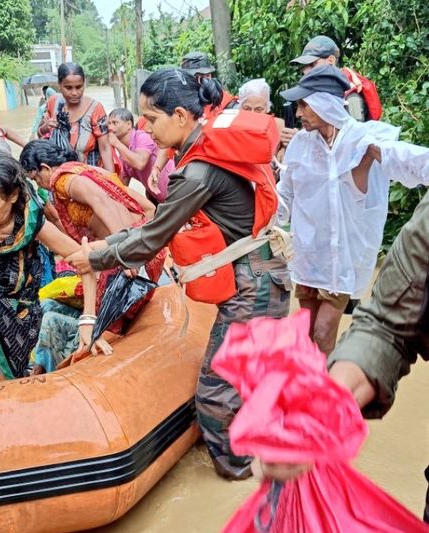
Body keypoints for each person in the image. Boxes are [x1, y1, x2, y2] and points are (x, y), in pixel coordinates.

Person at [64, 68, 291, 480]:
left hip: (252, 285)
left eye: (151, 119)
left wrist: (94, 260)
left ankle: (239, 476)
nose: (146, 130)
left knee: (215, 393)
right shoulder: (206, 149)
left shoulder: (199, 173)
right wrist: (107, 246)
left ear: (182, 116)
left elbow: (151, 239)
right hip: (264, 274)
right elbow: (152, 228)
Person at [257, 185, 429, 521]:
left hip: (339, 270)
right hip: (307, 265)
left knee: (323, 332)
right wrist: (324, 409)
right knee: (314, 331)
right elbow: (388, 326)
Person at [277, 65, 429, 356]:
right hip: (307, 257)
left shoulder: (361, 141)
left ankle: (321, 397)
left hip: (341, 261)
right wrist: (266, 220)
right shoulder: (300, 144)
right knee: (303, 334)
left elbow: (405, 157)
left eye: (303, 105)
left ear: (325, 103)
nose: (297, 114)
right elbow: (285, 194)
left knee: (323, 333)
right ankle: (305, 390)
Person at [0, 146, 100, 379]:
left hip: (21, 310)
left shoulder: (30, 221)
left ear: (12, 196)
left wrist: (88, 318)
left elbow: (85, 262)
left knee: (19, 369)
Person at [19, 140, 158, 371]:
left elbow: (102, 203)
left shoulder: (62, 180)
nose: (40, 185)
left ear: (45, 168)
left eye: (36, 179)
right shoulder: (90, 170)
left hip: (122, 259)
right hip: (140, 252)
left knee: (60, 317)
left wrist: (124, 254)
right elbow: (147, 207)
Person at [37, 62, 115, 172]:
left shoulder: (95, 109)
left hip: (88, 175)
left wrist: (111, 183)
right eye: (68, 88)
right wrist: (45, 127)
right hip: (57, 173)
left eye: (79, 87)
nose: (74, 93)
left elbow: (105, 148)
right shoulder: (53, 103)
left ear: (84, 83)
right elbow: (39, 134)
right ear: (59, 85)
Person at [290, 35, 382, 122]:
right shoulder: (323, 93)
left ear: (331, 61)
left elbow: (356, 135)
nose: (306, 72)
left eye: (312, 64)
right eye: (305, 66)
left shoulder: (351, 96)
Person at [107, 107, 176, 202]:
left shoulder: (142, 136)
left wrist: (116, 143)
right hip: (158, 199)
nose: (110, 128)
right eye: (109, 123)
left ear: (129, 124)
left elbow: (140, 163)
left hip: (175, 190)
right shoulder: (123, 157)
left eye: (115, 123)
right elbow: (121, 188)